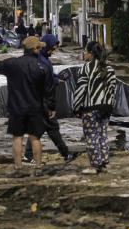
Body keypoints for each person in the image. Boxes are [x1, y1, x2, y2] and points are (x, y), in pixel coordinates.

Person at [0, 36, 55, 173]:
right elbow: (49, 89)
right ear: (35, 49)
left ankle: (18, 166)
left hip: (16, 107)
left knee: (17, 138)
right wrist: (51, 106)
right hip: (36, 107)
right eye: (40, 47)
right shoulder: (43, 66)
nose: (41, 49)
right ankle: (38, 166)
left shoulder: (12, 64)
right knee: (35, 138)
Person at [24, 34, 77, 164]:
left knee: (47, 129)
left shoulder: (43, 59)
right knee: (47, 129)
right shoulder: (41, 60)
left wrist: (56, 78)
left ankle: (65, 154)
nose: (52, 52)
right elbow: (44, 80)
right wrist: (55, 82)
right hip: (44, 102)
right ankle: (64, 154)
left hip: (41, 102)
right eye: (51, 49)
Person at [73, 42, 117, 173]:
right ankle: (104, 161)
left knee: (91, 136)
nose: (84, 54)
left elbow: (80, 90)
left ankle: (95, 165)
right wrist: (109, 106)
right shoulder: (109, 69)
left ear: (90, 54)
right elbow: (113, 90)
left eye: (85, 52)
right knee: (102, 135)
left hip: (90, 108)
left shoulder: (86, 68)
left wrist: (76, 107)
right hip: (106, 108)